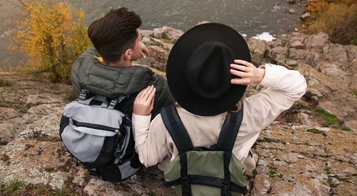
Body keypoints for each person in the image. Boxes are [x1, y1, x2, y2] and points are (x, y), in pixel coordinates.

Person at [131, 22, 307, 172]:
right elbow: (297, 87)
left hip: (185, 179)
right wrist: (260, 75)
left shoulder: (166, 121)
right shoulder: (252, 114)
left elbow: (147, 159)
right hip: (230, 173)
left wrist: (141, 116)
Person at [70, 7, 174, 118]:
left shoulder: (78, 70)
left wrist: (132, 44)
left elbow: (100, 44)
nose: (141, 42)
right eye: (139, 40)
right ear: (128, 54)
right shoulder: (156, 89)